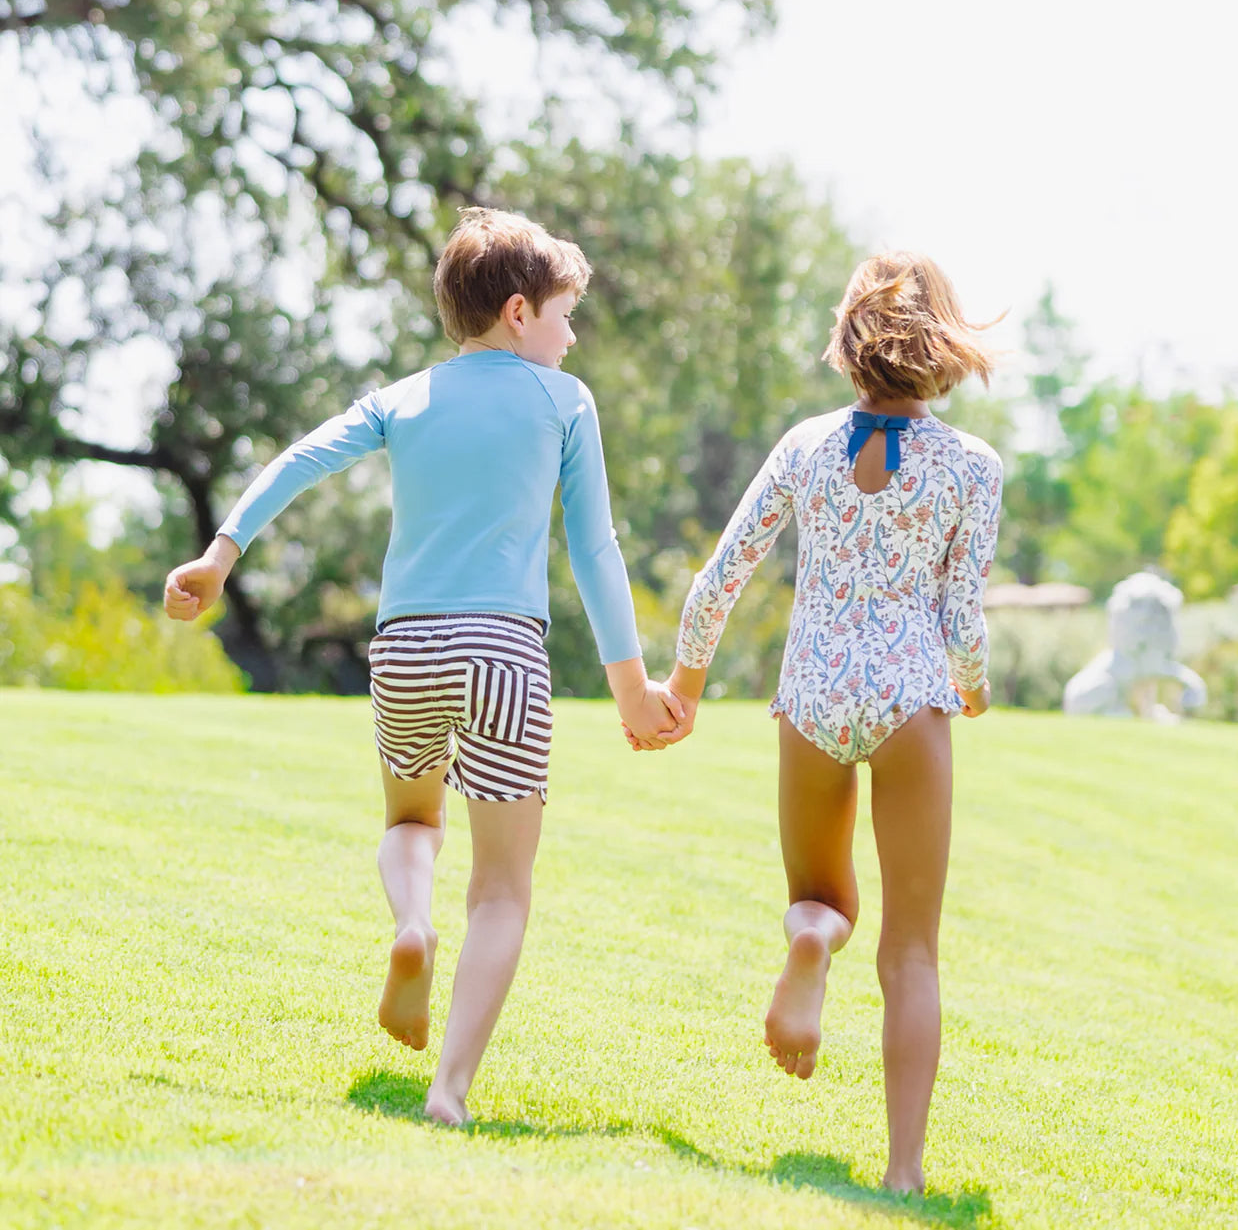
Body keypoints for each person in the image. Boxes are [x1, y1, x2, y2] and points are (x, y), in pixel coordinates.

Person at [164, 207, 684, 1126]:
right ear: (519, 312)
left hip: (404, 649)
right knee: (502, 887)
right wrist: (632, 689)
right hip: (505, 653)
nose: (570, 337)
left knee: (411, 818)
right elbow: (594, 548)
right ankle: (448, 1089)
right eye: (565, 316)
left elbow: (301, 460)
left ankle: (411, 923)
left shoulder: (402, 398)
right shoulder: (564, 401)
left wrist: (220, 553)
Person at [652, 252, 1002, 1193]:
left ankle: (810, 939)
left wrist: (685, 684)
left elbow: (720, 578)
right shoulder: (973, 466)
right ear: (941, 344)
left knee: (822, 898)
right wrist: (972, 689)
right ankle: (903, 1171)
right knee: (912, 948)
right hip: (911, 702)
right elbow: (963, 620)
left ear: (849, 344)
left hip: (811, 695)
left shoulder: (805, 445)